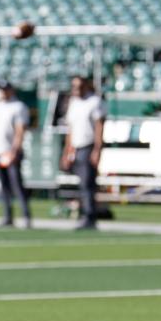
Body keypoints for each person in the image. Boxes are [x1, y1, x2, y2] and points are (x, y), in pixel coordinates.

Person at [61, 75, 106, 230]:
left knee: (88, 184)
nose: (76, 90)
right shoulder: (74, 103)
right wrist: (67, 152)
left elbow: (99, 127)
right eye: (74, 86)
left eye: (79, 86)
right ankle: (85, 213)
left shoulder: (94, 101)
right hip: (76, 147)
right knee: (82, 184)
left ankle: (90, 216)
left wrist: (97, 149)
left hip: (88, 145)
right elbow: (70, 130)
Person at [0, 79, 31, 227]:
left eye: (5, 89)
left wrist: (14, 151)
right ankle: (8, 216)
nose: (3, 92)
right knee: (3, 186)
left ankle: (26, 216)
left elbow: (20, 131)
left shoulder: (18, 107)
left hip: (10, 151)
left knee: (17, 185)